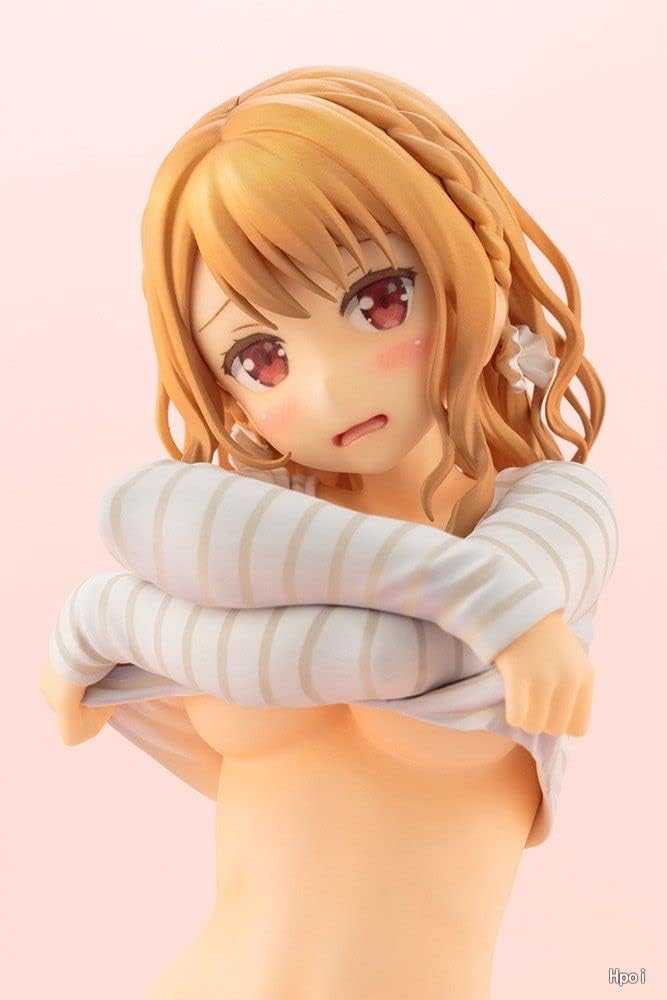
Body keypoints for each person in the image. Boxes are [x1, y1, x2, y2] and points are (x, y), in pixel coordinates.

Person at [41, 66, 617, 999]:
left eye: (378, 302)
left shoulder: (551, 513)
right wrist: (102, 612)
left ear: (465, 260)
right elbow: (141, 509)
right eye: (259, 357)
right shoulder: (241, 525)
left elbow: (409, 652)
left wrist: (114, 618)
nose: (330, 387)